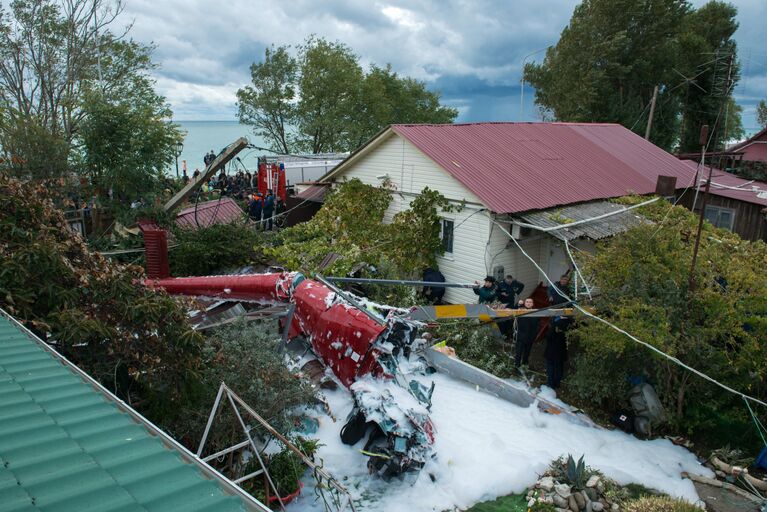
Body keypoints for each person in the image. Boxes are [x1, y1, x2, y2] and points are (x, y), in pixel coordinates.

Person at [544, 316, 570, 389]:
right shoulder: (571, 322)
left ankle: (551, 384)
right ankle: (557, 383)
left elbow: (549, 335)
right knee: (559, 366)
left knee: (551, 366)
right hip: (562, 349)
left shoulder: (556, 323)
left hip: (553, 348)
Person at [514, 297, 539, 368]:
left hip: (530, 336)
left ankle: (525, 363)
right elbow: (514, 309)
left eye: (530, 302)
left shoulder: (536, 312)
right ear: (524, 303)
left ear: (532, 304)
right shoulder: (520, 310)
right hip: (521, 335)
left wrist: (535, 334)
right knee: (519, 352)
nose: (528, 303)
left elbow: (537, 325)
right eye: (527, 302)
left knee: (527, 352)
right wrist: (518, 304)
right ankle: (517, 365)